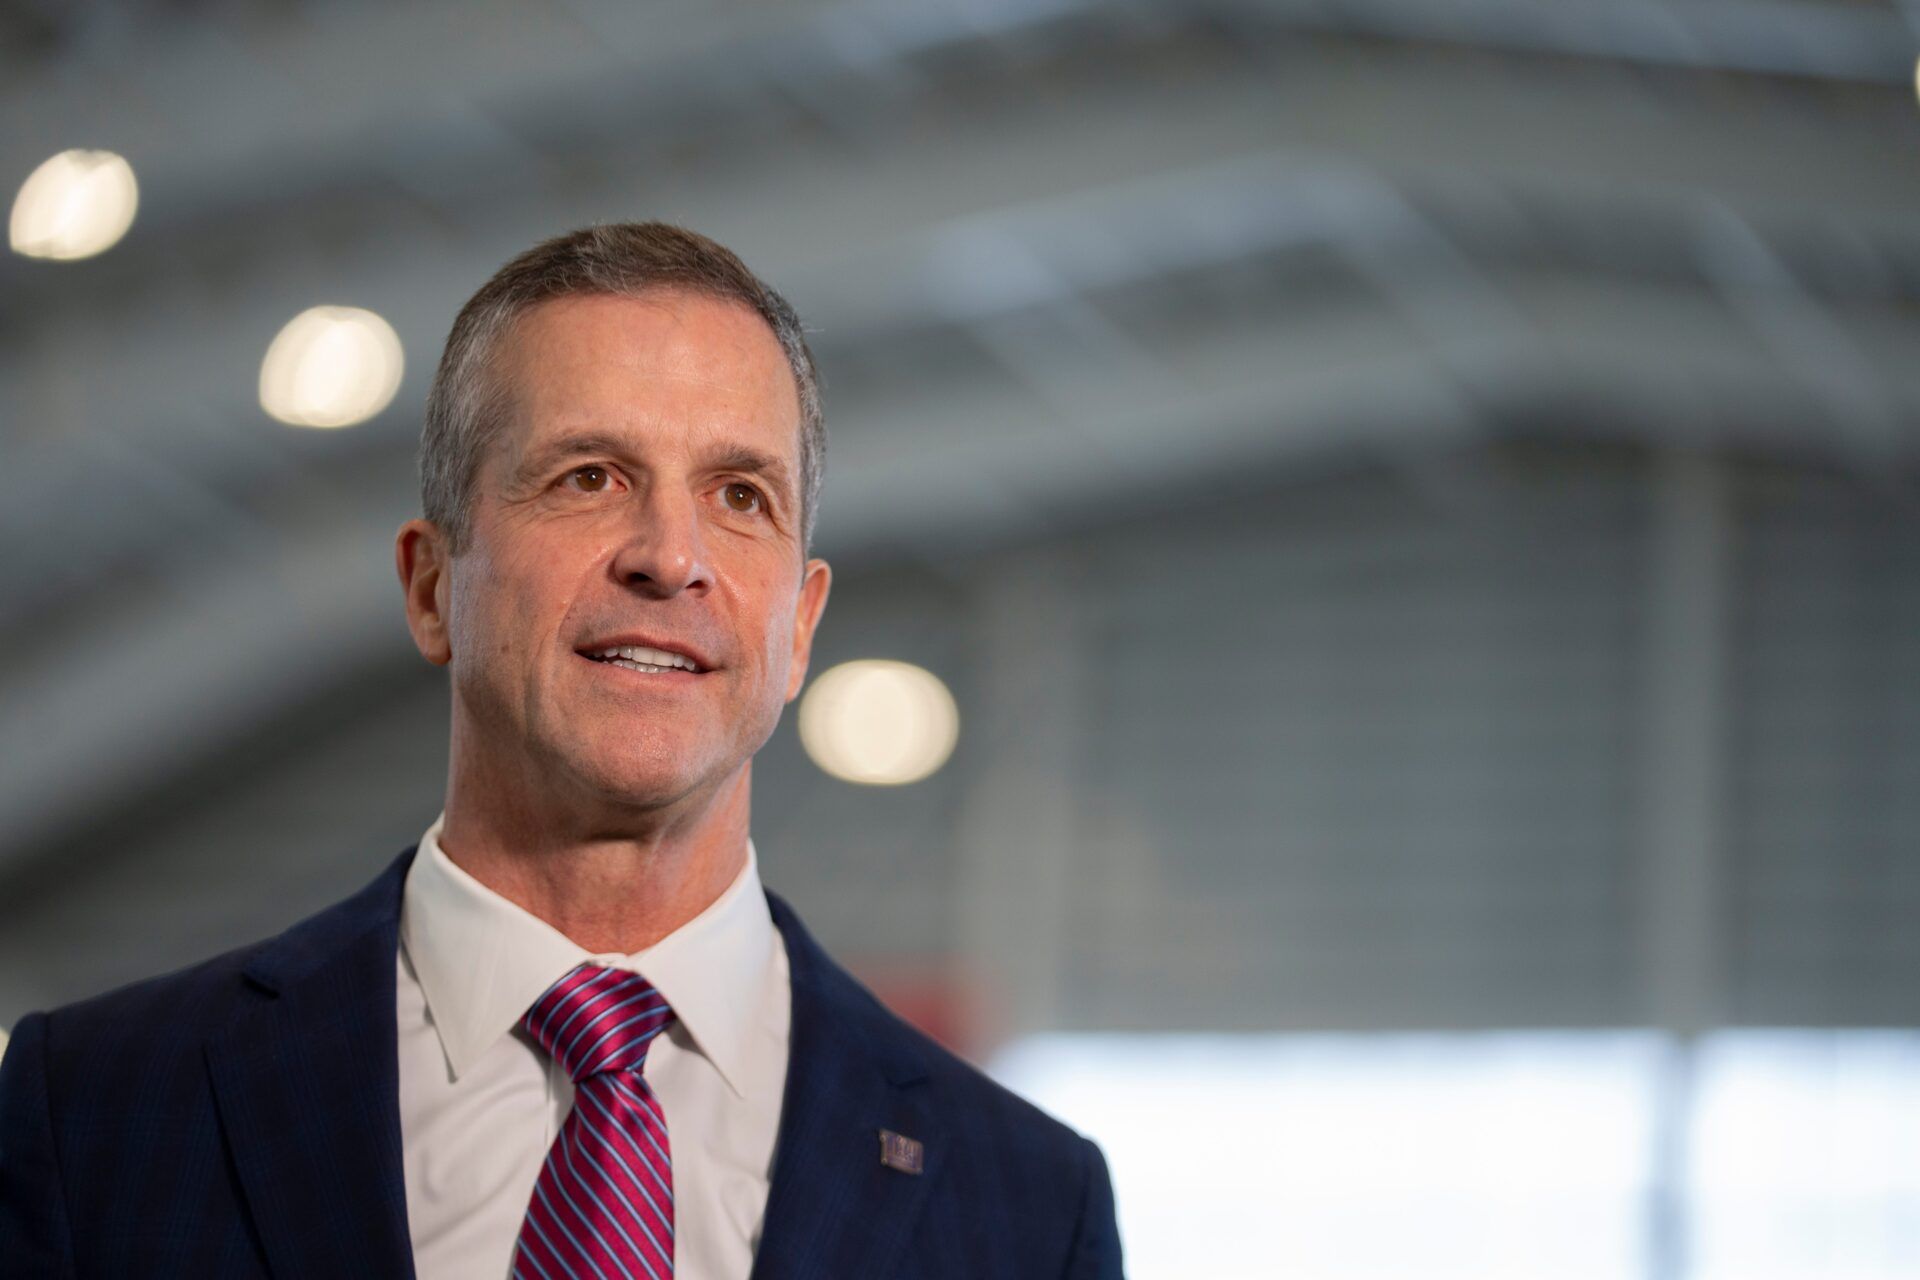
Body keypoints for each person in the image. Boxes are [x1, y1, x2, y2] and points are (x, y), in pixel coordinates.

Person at [0, 223, 1124, 1279]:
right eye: (590, 475)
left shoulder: (1028, 1203)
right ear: (431, 586)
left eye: (741, 495)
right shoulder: (94, 1108)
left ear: (801, 629)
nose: (670, 556)